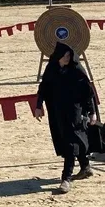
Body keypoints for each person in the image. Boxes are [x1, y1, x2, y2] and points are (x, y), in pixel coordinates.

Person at [34, 42, 102, 194]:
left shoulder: (76, 69)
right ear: (58, 55)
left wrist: (92, 112)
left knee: (71, 142)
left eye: (69, 56)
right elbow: (43, 88)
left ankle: (66, 178)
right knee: (70, 139)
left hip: (75, 111)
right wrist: (38, 106)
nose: (67, 58)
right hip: (57, 112)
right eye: (65, 56)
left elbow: (88, 92)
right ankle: (85, 167)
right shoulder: (51, 68)